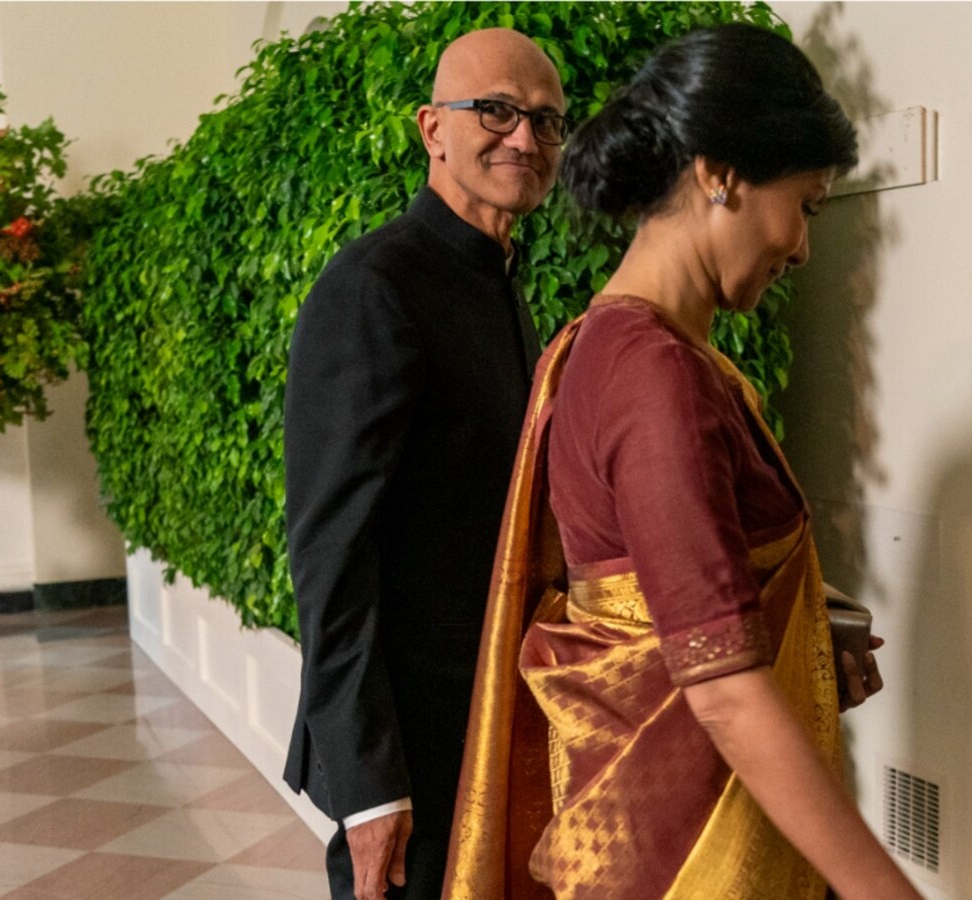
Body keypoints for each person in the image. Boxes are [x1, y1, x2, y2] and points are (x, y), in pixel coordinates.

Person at [443, 24, 923, 900]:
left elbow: (662, 600)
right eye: (807, 206)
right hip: (683, 859)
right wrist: (888, 891)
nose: (804, 247)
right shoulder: (655, 374)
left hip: (652, 829)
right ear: (722, 173)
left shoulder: (620, 345)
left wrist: (801, 624)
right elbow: (724, 693)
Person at [282, 28, 568, 900]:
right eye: (496, 111)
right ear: (431, 129)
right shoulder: (374, 287)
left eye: (549, 122)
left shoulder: (502, 283)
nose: (525, 137)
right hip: (413, 749)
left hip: (491, 721)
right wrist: (371, 787)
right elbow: (331, 555)